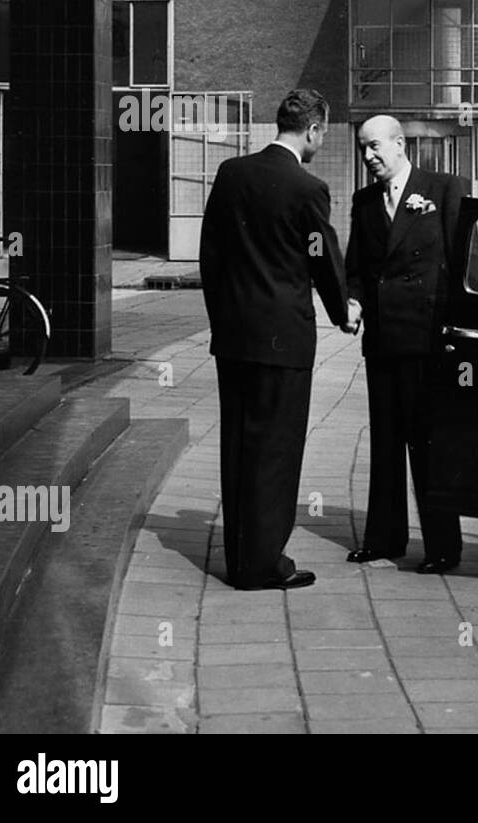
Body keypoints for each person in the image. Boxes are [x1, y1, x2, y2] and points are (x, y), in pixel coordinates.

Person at [199, 89, 356, 590]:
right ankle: (264, 563)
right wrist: (344, 311)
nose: (321, 141)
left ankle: (240, 557)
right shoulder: (307, 189)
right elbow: (321, 256)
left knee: (239, 446)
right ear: (312, 130)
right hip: (284, 341)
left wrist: (222, 320)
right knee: (277, 450)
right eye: (323, 133)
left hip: (235, 340)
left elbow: (211, 255)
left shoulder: (231, 174)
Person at [343, 116, 468, 574]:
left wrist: (456, 334)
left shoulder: (445, 189)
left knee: (429, 443)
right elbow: (355, 266)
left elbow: (462, 266)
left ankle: (442, 547)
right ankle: (384, 538)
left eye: (375, 147)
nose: (368, 157)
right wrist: (353, 301)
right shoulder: (363, 201)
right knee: (386, 441)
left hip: (428, 339)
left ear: (400, 144)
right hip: (382, 339)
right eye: (362, 148)